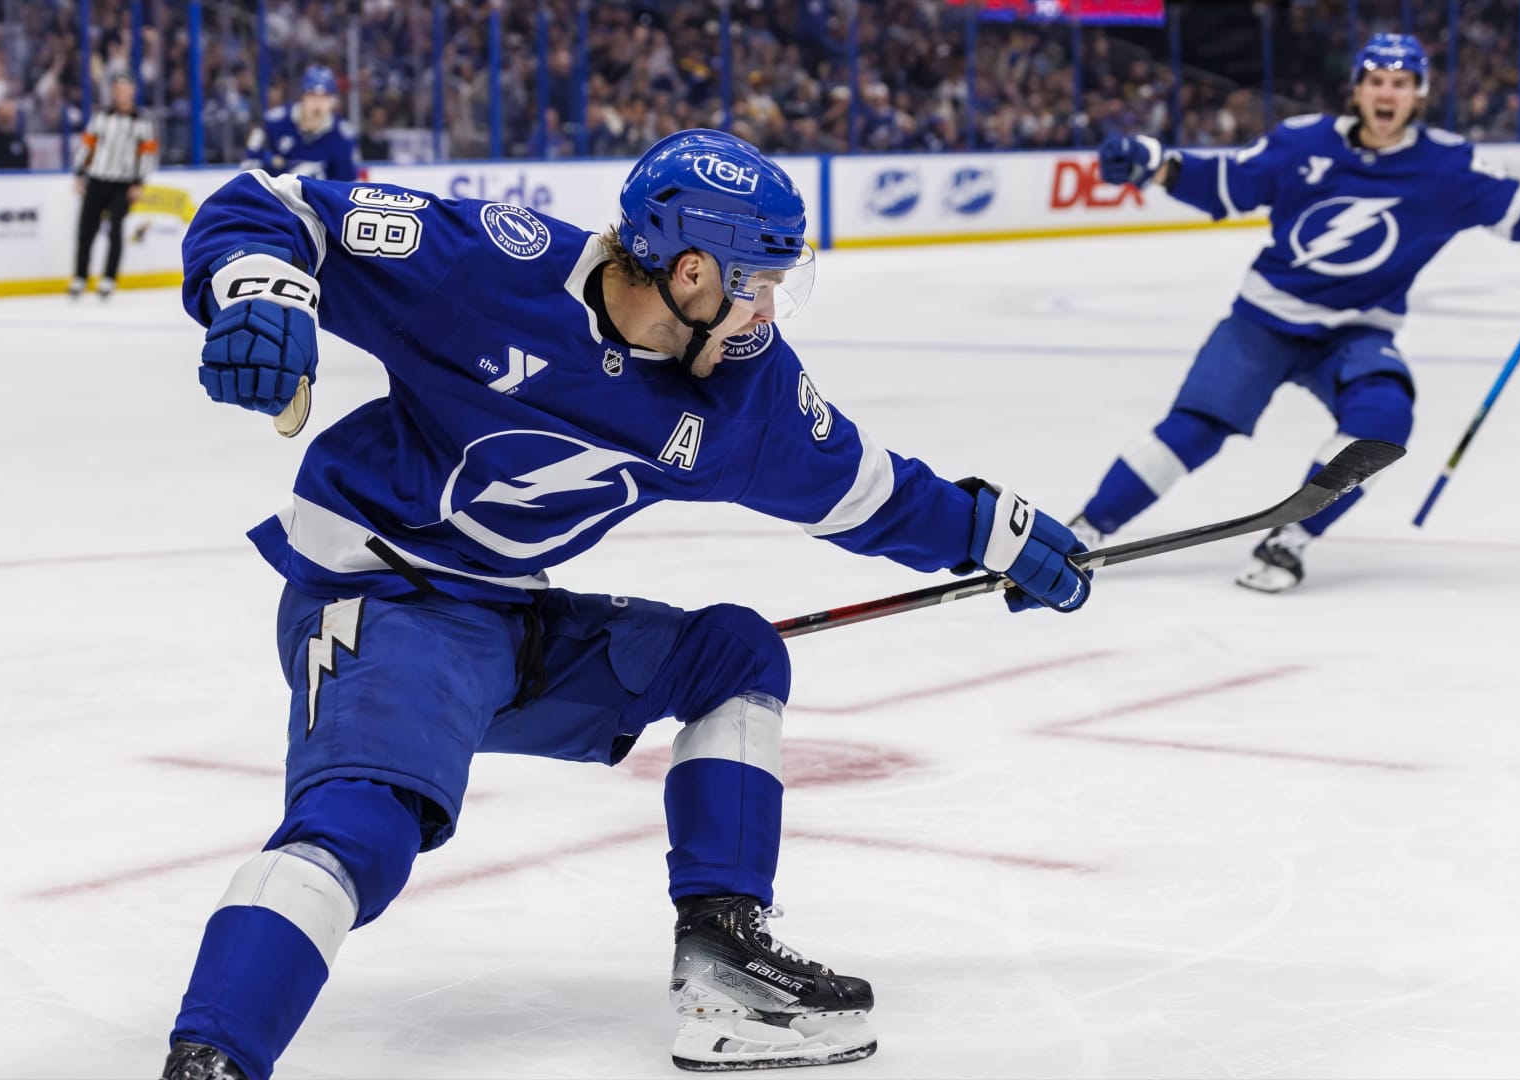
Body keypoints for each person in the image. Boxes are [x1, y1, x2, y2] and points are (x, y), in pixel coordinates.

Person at [158, 129, 1092, 1080]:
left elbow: (868, 493)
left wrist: (997, 535)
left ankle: (724, 959)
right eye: (758, 283)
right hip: (387, 599)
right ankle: (215, 1055)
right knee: (364, 826)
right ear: (691, 272)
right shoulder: (492, 267)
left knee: (734, 656)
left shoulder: (745, 387)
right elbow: (272, 206)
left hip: (511, 621)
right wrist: (260, 292)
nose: (768, 311)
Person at [1075, 33, 1520, 592]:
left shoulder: (1448, 167)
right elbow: (1230, 183)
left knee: (1384, 417)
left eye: (1400, 83)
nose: (1387, 94)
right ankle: (1083, 531)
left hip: (1355, 334)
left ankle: (1291, 538)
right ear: (1357, 89)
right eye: (1376, 81)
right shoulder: (1303, 142)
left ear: (1419, 94)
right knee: (1194, 430)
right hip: (1263, 321)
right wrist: (1155, 166)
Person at [69, 73, 159, 300]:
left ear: (133, 92)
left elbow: (147, 155)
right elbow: (87, 145)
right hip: (97, 179)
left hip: (123, 183)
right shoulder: (101, 117)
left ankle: (109, 278)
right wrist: (79, 173)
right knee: (85, 230)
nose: (122, 93)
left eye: (125, 89)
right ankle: (80, 277)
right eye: (118, 89)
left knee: (115, 229)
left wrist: (139, 182)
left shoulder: (142, 121)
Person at [240, 65, 361, 181]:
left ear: (333, 101)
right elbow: (248, 171)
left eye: (325, 97)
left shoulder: (343, 136)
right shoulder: (272, 123)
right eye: (312, 96)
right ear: (302, 96)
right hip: (274, 195)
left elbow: (348, 186)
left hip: (317, 196)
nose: (318, 104)